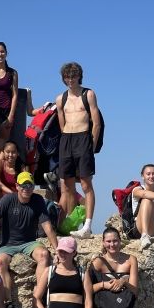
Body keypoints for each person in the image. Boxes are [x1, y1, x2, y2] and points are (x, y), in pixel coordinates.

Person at [0, 172, 57, 308]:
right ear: (17, 186)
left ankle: (38, 297)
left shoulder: (38, 200)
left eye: (29, 185)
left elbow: (48, 227)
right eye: (23, 185)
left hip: (29, 242)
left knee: (44, 255)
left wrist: (57, 250)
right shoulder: (8, 200)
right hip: (8, 244)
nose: (26, 188)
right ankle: (9, 303)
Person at [56, 62, 101, 239]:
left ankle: (87, 225)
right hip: (67, 139)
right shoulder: (61, 98)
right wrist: (66, 140)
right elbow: (62, 124)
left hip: (84, 138)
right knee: (66, 185)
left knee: (85, 183)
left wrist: (91, 144)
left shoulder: (88, 94)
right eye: (67, 77)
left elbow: (95, 122)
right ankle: (70, 223)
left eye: (73, 76)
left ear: (79, 76)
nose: (70, 80)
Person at [0, 141, 27, 217]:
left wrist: (16, 195)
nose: (10, 155)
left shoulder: (22, 167)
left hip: (17, 197)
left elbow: (26, 184)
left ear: (18, 153)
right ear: (3, 152)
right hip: (3, 194)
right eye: (8, 152)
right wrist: (10, 192)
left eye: (13, 152)